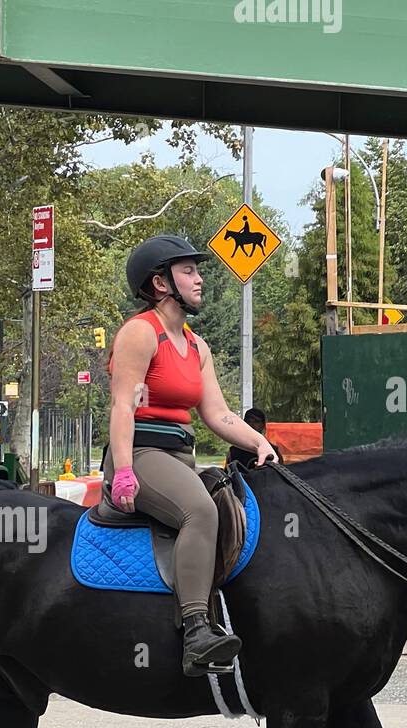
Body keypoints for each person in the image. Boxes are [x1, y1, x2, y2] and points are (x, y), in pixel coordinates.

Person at [104, 235, 275, 676]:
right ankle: (197, 633)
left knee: (230, 502)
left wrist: (259, 443)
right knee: (200, 511)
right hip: (140, 452)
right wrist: (123, 471)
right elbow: (123, 405)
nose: (200, 279)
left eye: (198, 271)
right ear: (161, 283)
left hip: (179, 457)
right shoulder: (141, 333)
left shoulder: (198, 347)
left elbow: (217, 414)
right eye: (189, 271)